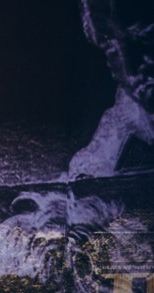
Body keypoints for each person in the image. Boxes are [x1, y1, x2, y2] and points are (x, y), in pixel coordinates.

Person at [68, 0, 154, 178]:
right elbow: (92, 166)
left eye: (138, 43)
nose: (123, 63)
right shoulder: (131, 110)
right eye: (109, 49)